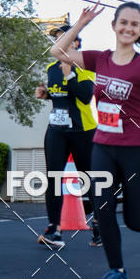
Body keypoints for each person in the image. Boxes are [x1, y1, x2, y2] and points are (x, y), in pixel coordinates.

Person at [51, 2, 140, 279]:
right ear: (114, 26)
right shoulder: (101, 59)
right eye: (124, 22)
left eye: (134, 24)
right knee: (103, 208)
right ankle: (117, 272)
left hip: (137, 149)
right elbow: (57, 52)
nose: (128, 28)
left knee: (134, 219)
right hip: (103, 146)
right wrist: (80, 24)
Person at [34, 25, 100, 248]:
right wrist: (45, 95)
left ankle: (100, 225)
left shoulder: (85, 67)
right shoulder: (51, 68)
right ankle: (54, 229)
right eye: (57, 39)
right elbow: (58, 95)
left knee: (89, 179)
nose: (59, 43)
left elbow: (85, 97)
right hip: (57, 130)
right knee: (53, 177)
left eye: (65, 38)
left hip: (83, 131)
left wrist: (69, 74)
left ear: (76, 43)